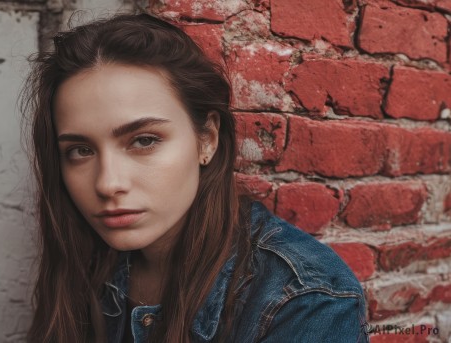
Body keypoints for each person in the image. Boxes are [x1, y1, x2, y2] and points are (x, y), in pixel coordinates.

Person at [20, 13, 369, 343]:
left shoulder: (305, 299)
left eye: (144, 140)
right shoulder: (88, 257)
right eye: (80, 151)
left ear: (207, 139)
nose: (107, 184)